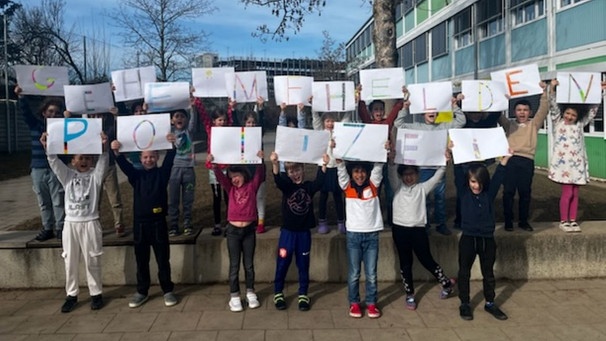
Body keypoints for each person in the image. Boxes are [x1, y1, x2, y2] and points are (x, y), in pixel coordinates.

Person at [40, 132, 108, 313]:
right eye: (80, 158)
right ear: (73, 161)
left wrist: (103, 147)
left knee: (92, 259)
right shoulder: (67, 176)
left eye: (87, 158)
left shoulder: (95, 177)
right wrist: (48, 148)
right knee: (70, 260)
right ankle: (71, 294)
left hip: (90, 222)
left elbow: (103, 163)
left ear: (91, 160)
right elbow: (54, 163)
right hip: (71, 224)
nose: (84, 161)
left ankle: (96, 293)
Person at [111, 135, 179, 309]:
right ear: (140, 159)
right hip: (140, 225)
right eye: (145, 157)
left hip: (158, 224)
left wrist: (172, 145)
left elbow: (170, 161)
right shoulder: (136, 176)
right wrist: (116, 152)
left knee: (163, 258)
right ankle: (142, 291)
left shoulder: (162, 175)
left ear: (157, 158)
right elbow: (124, 166)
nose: (148, 160)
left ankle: (167, 290)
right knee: (141, 259)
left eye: (152, 157)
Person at [394, 92, 466, 235]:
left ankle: (441, 223)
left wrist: (454, 106)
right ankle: (425, 224)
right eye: (428, 110)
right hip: (421, 168)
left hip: (438, 167)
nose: (431, 113)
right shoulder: (416, 126)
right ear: (422, 113)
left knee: (440, 197)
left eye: (434, 110)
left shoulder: (443, 126)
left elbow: (461, 121)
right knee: (423, 198)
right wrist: (405, 108)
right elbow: (398, 124)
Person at [388, 163, 455, 310]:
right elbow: (391, 171)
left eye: (412, 174)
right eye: (405, 174)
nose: (409, 177)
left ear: (417, 175)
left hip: (418, 230)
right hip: (400, 230)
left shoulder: (422, 188)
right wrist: (391, 160)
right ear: (401, 176)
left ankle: (446, 282)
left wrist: (444, 162)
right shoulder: (397, 187)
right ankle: (410, 294)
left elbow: (438, 176)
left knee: (426, 259)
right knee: (405, 263)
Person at [270, 151, 328, 311]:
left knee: (303, 264)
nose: (294, 174)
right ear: (287, 173)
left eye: (297, 170)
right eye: (291, 171)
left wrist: (324, 164)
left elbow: (320, 182)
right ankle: (278, 292)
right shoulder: (287, 187)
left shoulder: (308, 187)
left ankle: (303, 293)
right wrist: (275, 163)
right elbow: (277, 180)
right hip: (287, 234)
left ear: (302, 169)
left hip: (304, 235)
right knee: (282, 262)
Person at [457, 152, 512, 321]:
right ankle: (465, 303)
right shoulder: (464, 193)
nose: (476, 186)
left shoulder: (488, 194)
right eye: (473, 182)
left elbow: (498, 176)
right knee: (464, 272)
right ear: (468, 182)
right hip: (468, 238)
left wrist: (506, 159)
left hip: (487, 239)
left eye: (480, 182)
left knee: (488, 273)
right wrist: (452, 155)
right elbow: (458, 172)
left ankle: (490, 303)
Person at [207, 152, 265, 312]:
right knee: (234, 266)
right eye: (231, 177)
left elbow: (259, 175)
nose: (234, 179)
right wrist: (213, 165)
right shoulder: (230, 189)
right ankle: (234, 295)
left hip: (248, 231)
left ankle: (250, 292)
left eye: (236, 176)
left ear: (244, 175)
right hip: (232, 232)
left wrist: (260, 160)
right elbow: (220, 177)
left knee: (249, 265)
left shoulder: (251, 187)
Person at [547, 79, 605, 233]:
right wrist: (552, 88)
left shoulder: (579, 124)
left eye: (573, 115)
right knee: (568, 192)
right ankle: (563, 220)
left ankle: (572, 220)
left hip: (578, 164)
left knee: (576, 192)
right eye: (567, 113)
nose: (570, 116)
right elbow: (553, 106)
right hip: (564, 166)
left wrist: (600, 91)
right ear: (563, 112)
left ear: (578, 116)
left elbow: (593, 110)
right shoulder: (558, 122)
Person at [15, 85, 65, 241]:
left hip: (56, 168)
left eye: (57, 112)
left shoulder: (63, 128)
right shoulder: (35, 125)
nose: (53, 114)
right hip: (38, 168)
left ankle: (60, 228)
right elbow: (26, 113)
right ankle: (47, 227)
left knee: (58, 200)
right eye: (50, 111)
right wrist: (21, 97)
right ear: (44, 112)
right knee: (43, 201)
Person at [337, 160, 384, 319]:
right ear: (351, 173)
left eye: (363, 171)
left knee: (371, 273)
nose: (359, 175)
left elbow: (378, 166)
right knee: (354, 273)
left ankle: (371, 303)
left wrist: (382, 150)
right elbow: (341, 171)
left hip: (372, 235)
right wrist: (339, 161)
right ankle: (354, 302)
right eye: (356, 171)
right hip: (353, 236)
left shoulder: (373, 185)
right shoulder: (347, 186)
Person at [356, 85, 408, 227]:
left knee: (391, 192)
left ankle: (393, 220)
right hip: (372, 165)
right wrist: (359, 95)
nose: (378, 112)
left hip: (386, 163)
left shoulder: (387, 123)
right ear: (371, 112)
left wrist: (401, 95)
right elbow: (361, 111)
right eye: (376, 110)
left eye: (381, 109)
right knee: (374, 193)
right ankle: (374, 220)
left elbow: (397, 108)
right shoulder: (368, 123)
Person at [500, 82, 549, 232]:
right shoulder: (509, 125)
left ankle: (523, 221)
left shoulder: (534, 125)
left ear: (530, 112)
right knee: (508, 192)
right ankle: (508, 221)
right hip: (510, 161)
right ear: (514, 111)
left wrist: (545, 91)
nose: (522, 112)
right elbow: (497, 115)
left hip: (526, 162)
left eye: (525, 110)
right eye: (519, 110)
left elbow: (544, 109)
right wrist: (502, 98)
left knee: (525, 192)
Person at [453, 110, 503, 230]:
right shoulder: (463, 123)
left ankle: (485, 217)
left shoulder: (486, 123)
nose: (475, 115)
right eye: (472, 112)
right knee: (462, 194)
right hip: (463, 163)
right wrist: (458, 102)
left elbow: (496, 112)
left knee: (484, 192)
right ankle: (460, 220)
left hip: (480, 166)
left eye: (478, 112)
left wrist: (501, 98)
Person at [193, 97, 234, 236]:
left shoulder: (228, 130)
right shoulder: (210, 130)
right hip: (214, 168)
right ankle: (217, 224)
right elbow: (203, 114)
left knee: (228, 195)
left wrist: (230, 107)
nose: (222, 122)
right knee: (216, 198)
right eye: (219, 120)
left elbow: (231, 117)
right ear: (214, 121)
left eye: (223, 120)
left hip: (227, 167)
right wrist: (197, 100)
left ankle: (230, 223)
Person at [311, 104, 349, 234]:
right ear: (323, 123)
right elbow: (315, 118)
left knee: (338, 196)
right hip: (324, 167)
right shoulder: (320, 133)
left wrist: (351, 103)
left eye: (332, 120)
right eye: (327, 121)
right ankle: (322, 221)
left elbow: (347, 118)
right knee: (323, 195)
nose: (330, 123)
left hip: (336, 168)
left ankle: (341, 222)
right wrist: (313, 104)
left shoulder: (340, 132)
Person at [168, 107, 196, 236]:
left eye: (182, 116)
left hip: (188, 170)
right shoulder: (169, 133)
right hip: (174, 170)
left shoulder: (188, 131)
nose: (179, 118)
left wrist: (193, 107)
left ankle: (187, 223)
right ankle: (173, 224)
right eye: (176, 116)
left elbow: (193, 119)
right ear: (172, 120)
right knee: (173, 199)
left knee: (188, 199)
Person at [243, 97, 268, 234]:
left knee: (260, 196)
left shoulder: (259, 132)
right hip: (245, 169)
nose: (251, 125)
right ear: (244, 124)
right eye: (248, 123)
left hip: (259, 169)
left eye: (253, 123)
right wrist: (233, 109)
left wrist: (261, 108)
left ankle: (261, 222)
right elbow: (234, 121)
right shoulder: (240, 134)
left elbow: (262, 123)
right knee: (248, 196)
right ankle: (250, 219)